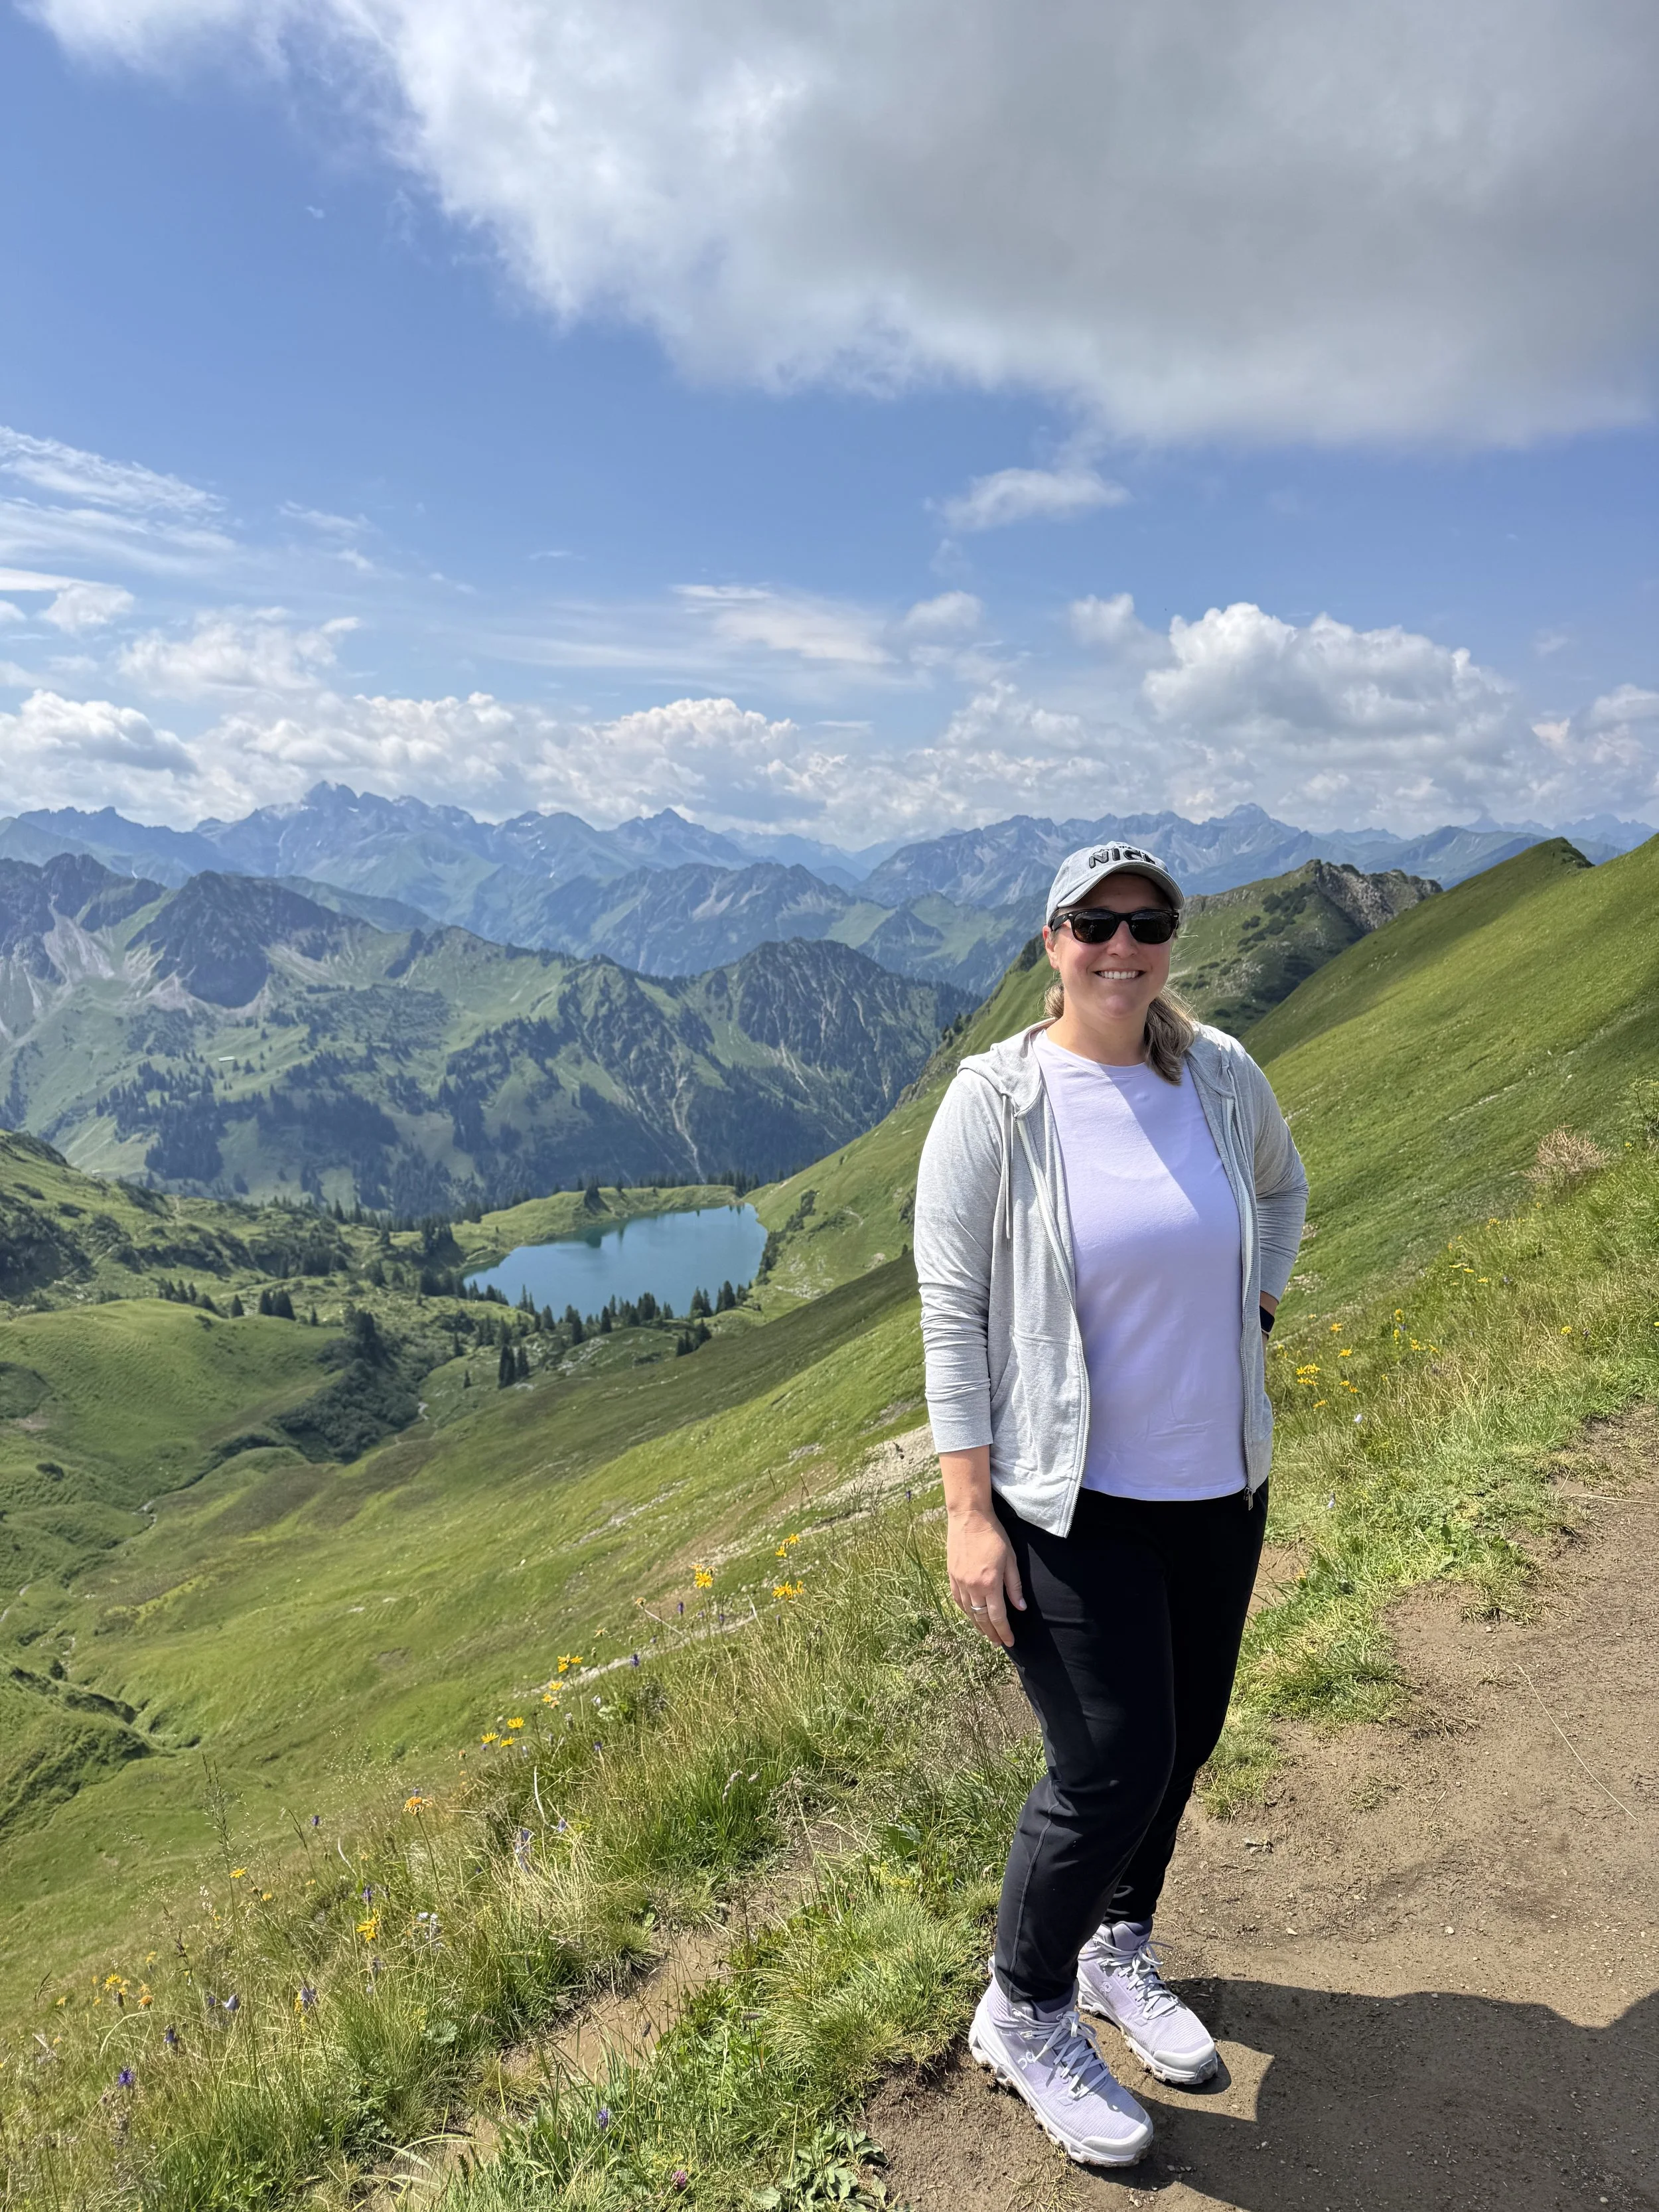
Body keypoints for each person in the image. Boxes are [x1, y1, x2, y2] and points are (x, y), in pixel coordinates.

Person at [913, 840, 1307, 2168]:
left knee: (1183, 1737)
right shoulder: (999, 1101)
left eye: (1145, 923)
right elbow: (950, 1310)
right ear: (1051, 942)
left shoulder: (1216, 1072)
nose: (1120, 945)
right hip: (1067, 1499)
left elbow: (1280, 1186)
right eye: (1094, 923)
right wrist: (968, 1511)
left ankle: (1107, 1945)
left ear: (1167, 940)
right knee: (1107, 1763)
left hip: (1218, 1484)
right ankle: (1018, 2008)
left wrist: (1256, 1304)